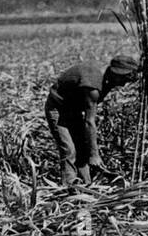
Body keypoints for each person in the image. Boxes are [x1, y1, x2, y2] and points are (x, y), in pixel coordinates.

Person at [45, 54, 139, 185]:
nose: (123, 85)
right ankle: (70, 186)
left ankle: (86, 183)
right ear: (115, 73)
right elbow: (89, 121)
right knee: (69, 149)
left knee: (82, 149)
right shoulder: (93, 85)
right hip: (58, 108)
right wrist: (95, 154)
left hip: (75, 109)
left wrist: (90, 150)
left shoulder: (107, 79)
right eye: (123, 79)